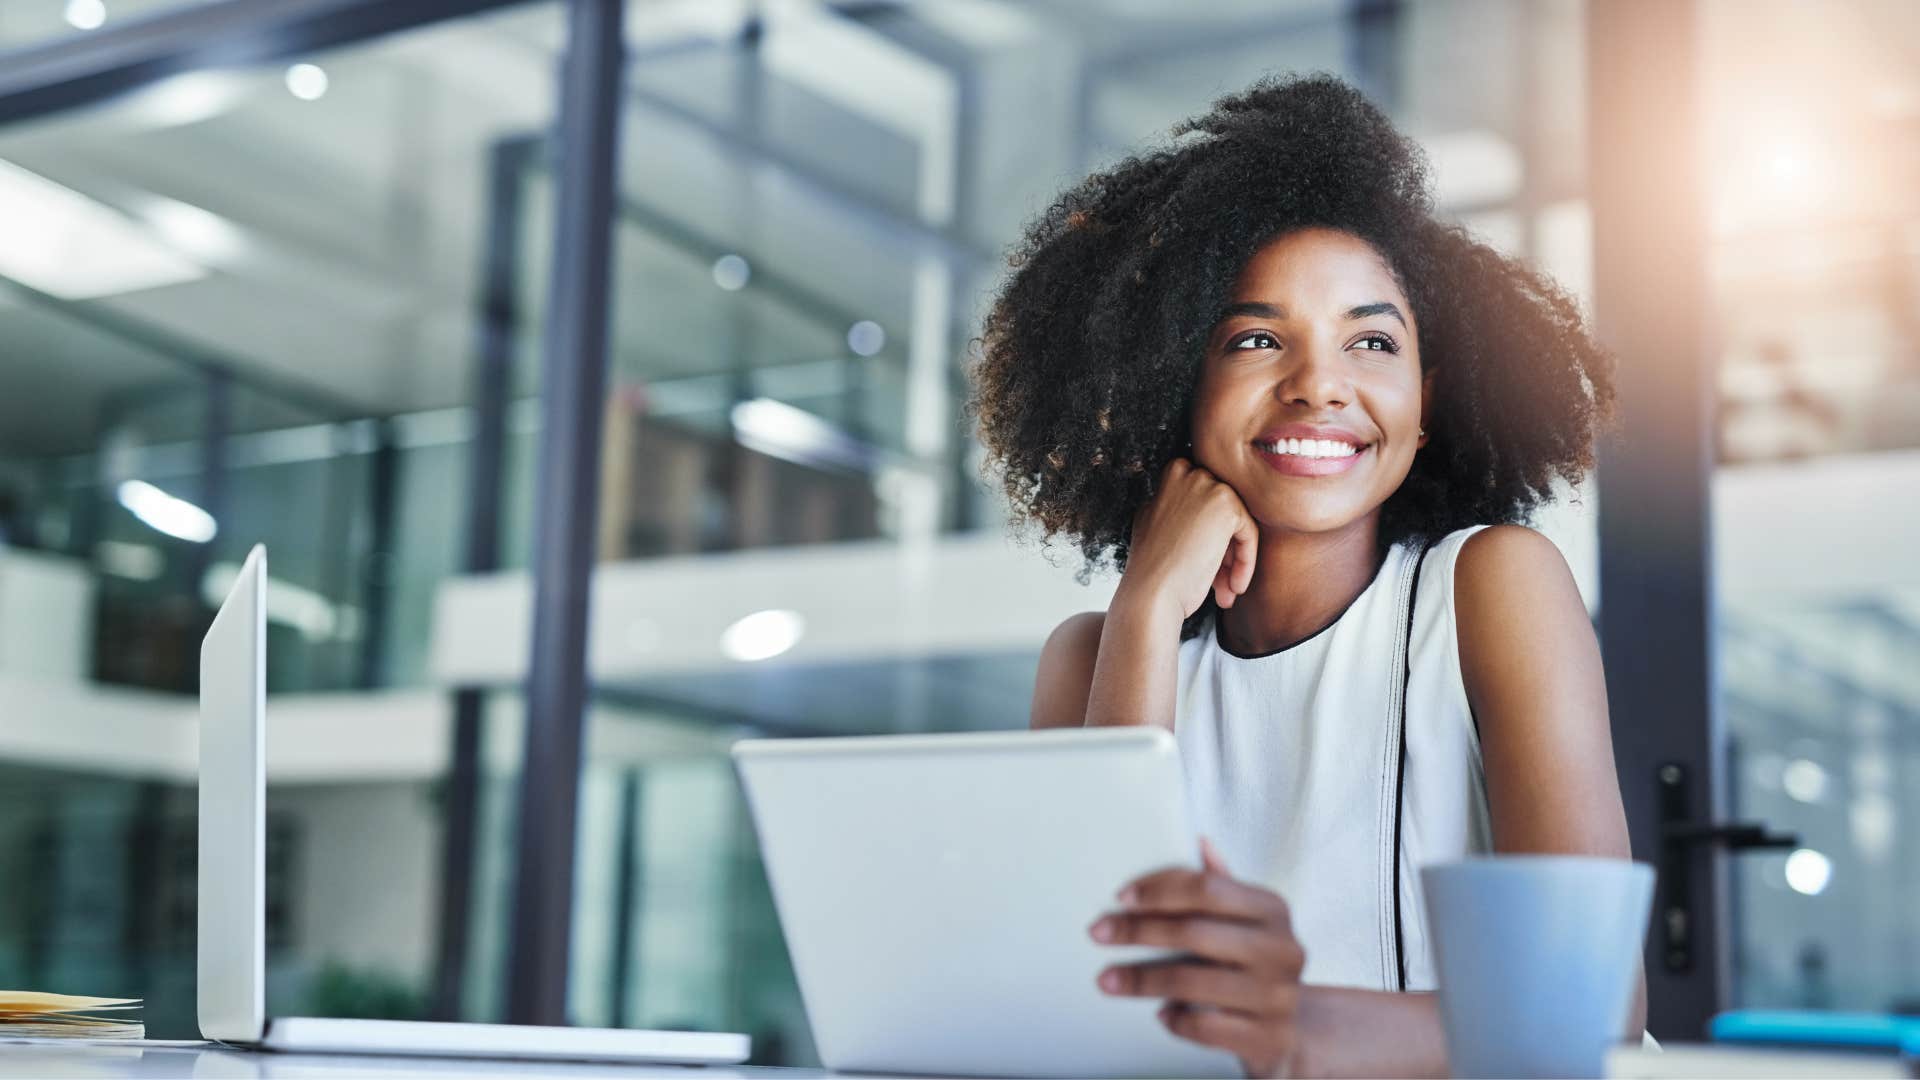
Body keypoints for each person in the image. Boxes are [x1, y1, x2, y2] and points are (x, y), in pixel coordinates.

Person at [968, 74, 1639, 1077]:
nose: (1321, 383)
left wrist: (1296, 1026)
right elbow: (1097, 1004)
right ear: (1171, 382)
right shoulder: (1092, 658)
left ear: (1425, 397)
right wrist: (1147, 610)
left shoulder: (1489, 588)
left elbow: (1591, 1012)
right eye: (1256, 339)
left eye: (1373, 341)